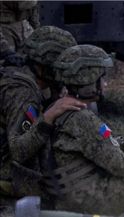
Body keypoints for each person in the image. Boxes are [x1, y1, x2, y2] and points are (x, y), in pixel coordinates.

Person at [42, 44, 124, 216]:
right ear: (88, 82)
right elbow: (121, 165)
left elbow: (102, 145)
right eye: (101, 79)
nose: (105, 83)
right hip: (90, 200)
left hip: (70, 196)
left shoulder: (60, 110)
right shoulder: (82, 119)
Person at [0, 26, 85, 202]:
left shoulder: (33, 78)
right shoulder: (23, 91)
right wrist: (49, 116)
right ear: (44, 67)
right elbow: (19, 151)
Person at [0, 0, 40, 66]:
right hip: (4, 30)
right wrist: (4, 50)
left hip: (25, 27)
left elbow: (34, 12)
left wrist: (38, 34)